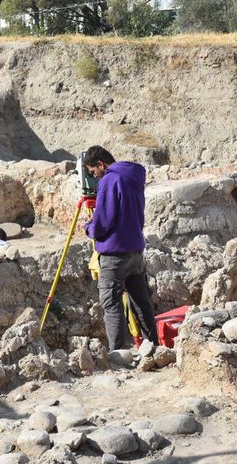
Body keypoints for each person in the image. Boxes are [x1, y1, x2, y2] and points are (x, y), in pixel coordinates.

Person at [81, 146, 159, 351]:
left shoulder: (109, 180)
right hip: (135, 250)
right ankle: (153, 346)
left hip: (114, 253)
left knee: (112, 305)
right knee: (141, 302)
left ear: (101, 164)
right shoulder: (133, 176)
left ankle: (117, 354)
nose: (95, 177)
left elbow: (104, 221)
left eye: (93, 172)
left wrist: (89, 227)